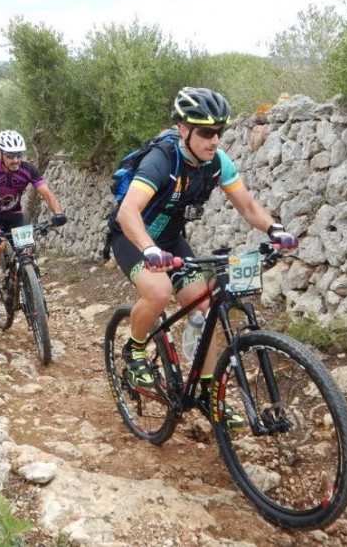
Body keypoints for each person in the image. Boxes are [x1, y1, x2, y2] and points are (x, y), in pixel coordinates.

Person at [108, 87, 298, 427]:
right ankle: (134, 351)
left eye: (219, 132)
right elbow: (128, 213)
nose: (215, 141)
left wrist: (275, 230)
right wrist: (150, 249)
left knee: (203, 306)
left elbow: (249, 206)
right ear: (184, 130)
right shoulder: (161, 160)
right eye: (206, 132)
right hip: (134, 236)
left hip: (170, 240)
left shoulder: (217, 163)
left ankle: (210, 395)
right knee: (159, 292)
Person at [0, 130, 67, 296]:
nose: (15, 160)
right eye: (10, 156)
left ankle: (26, 285)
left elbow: (47, 194)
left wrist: (58, 213)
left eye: (19, 155)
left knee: (26, 250)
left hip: (14, 214)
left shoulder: (28, 169)